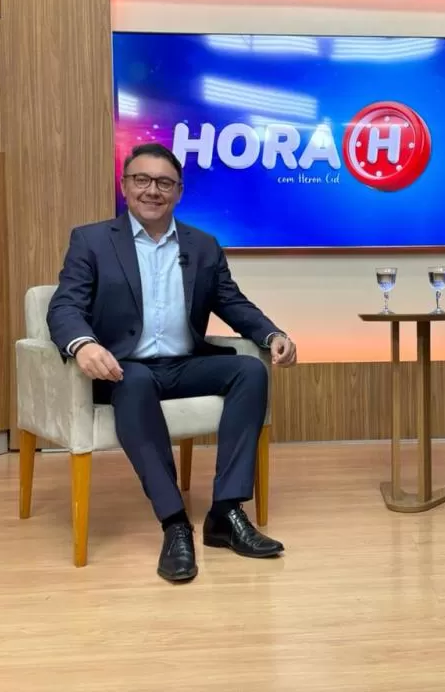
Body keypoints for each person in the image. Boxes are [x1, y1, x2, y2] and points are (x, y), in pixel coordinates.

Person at [46, 142, 297, 583]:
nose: (152, 190)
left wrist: (273, 334)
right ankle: (174, 523)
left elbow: (232, 302)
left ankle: (225, 513)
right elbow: (64, 306)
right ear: (125, 186)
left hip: (183, 364)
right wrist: (83, 345)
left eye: (164, 182)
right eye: (142, 180)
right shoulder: (92, 240)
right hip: (122, 369)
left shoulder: (203, 245)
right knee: (136, 381)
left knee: (249, 370)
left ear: (179, 191)